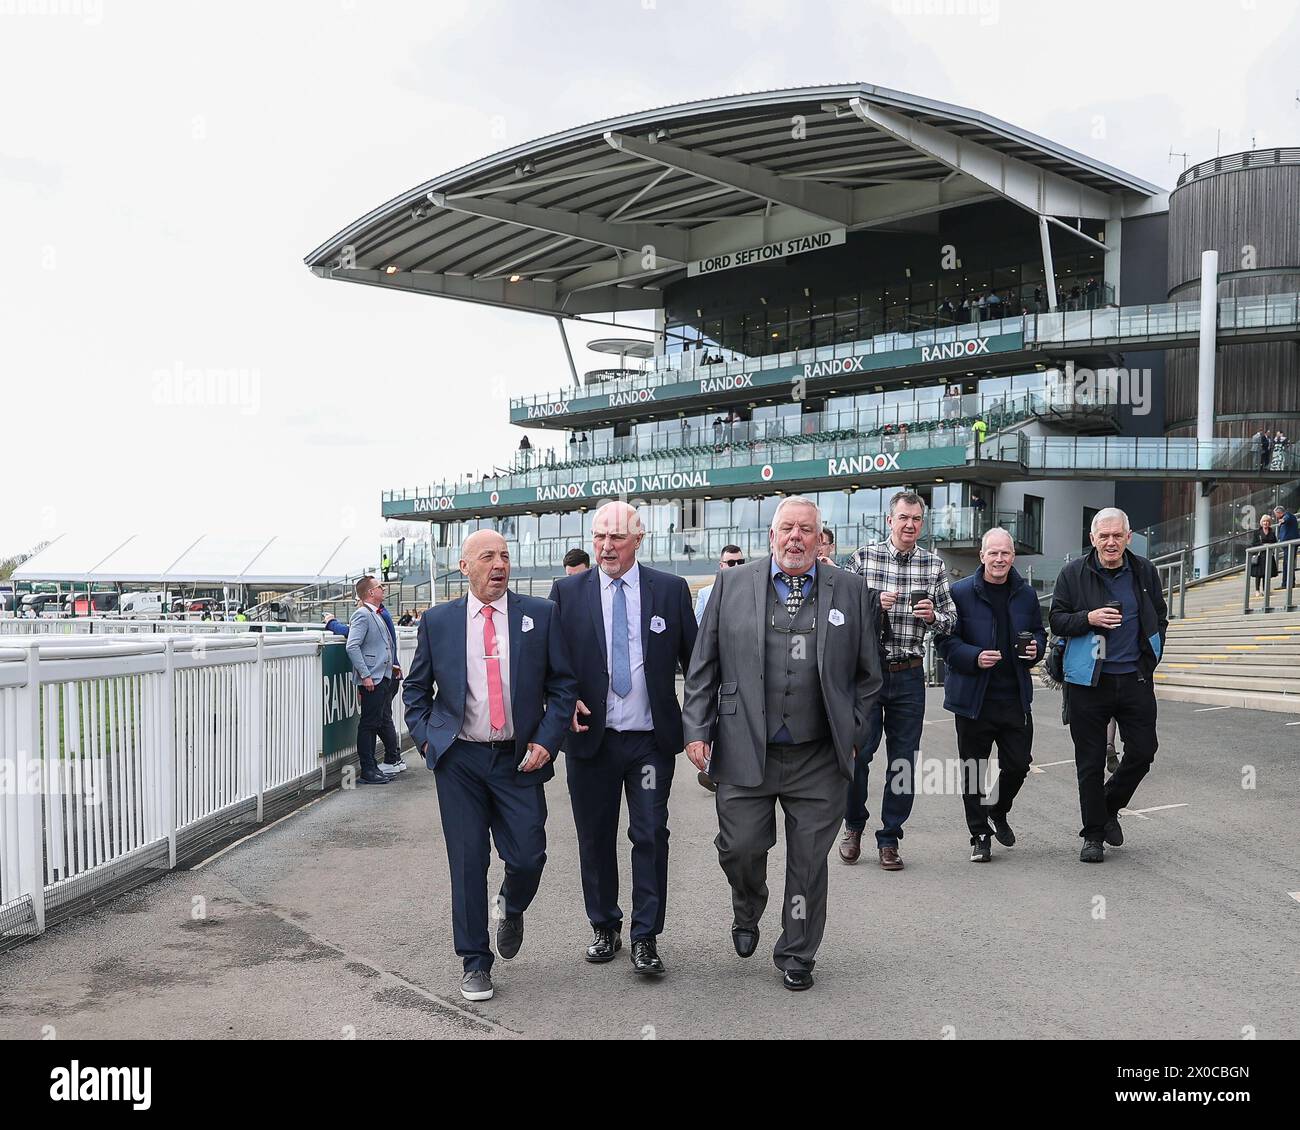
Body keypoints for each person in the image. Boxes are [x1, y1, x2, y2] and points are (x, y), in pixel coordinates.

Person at [682, 495, 882, 992]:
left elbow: (869, 677)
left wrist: (854, 733)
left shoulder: (852, 590)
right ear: (771, 536)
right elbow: (703, 665)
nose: (796, 537)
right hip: (745, 746)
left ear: (820, 538)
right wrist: (696, 729)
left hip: (819, 755)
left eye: (806, 530)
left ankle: (797, 953)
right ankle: (748, 903)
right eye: (786, 529)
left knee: (810, 862)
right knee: (741, 846)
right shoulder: (730, 584)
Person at [402, 530, 577, 1002]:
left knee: (527, 856)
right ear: (465, 567)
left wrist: (546, 740)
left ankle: (512, 904)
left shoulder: (539, 615)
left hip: (519, 759)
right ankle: (475, 961)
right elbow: (416, 691)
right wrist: (426, 741)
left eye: (504, 555)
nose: (499, 564)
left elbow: (563, 687)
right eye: (487, 557)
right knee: (468, 860)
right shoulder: (438, 621)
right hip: (459, 758)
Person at [547, 502, 697, 976]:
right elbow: (551, 665)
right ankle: (604, 926)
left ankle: (645, 937)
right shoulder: (567, 592)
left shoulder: (670, 591)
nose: (606, 546)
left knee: (650, 833)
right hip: (591, 739)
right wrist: (563, 701)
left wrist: (704, 728)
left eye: (616, 537)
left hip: (650, 742)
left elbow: (697, 664)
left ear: (639, 539)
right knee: (594, 837)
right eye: (599, 537)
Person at [842, 491, 956, 869]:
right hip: (868, 675)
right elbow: (839, 614)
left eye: (917, 519)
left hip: (909, 673)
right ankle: (854, 825)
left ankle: (890, 838)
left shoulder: (934, 565)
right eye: (904, 517)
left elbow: (951, 617)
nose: (910, 525)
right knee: (858, 755)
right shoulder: (862, 558)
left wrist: (932, 617)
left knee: (903, 762)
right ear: (889, 520)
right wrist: (873, 602)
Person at [1049, 507, 1169, 863]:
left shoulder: (1145, 571)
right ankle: (1093, 836)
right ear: (1092, 539)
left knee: (1143, 752)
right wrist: (1089, 618)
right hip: (1088, 681)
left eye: (1118, 535)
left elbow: (1159, 617)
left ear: (1129, 537)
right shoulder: (1073, 573)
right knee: (1088, 762)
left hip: (1134, 678)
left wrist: (1151, 657)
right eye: (1104, 536)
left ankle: (1108, 804)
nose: (1111, 542)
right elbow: (1056, 619)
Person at [936, 528, 1045, 862]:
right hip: (973, 698)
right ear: (982, 556)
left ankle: (997, 810)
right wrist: (974, 656)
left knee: (1019, 764)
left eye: (1005, 554)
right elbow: (944, 641)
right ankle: (979, 835)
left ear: (1013, 557)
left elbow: (1039, 633)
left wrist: (1035, 650)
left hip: (1013, 696)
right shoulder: (959, 592)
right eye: (993, 553)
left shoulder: (1025, 594)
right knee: (973, 769)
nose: (999, 560)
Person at [344, 577, 402, 785]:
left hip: (382, 676)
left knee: (375, 722)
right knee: (369, 724)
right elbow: (352, 645)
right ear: (370, 593)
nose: (383, 589)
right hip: (373, 679)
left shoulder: (374, 614)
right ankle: (368, 769)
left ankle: (373, 767)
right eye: (380, 587)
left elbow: (381, 646)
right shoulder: (362, 614)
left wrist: (391, 666)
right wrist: (365, 674)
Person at [694, 545, 745, 624]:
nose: (736, 566)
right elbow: (699, 626)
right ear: (721, 565)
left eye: (740, 562)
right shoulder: (705, 594)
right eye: (731, 563)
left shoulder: (753, 591)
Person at [1249, 514, 1279, 593]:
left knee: (1267, 573)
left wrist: (1270, 545)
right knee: (1258, 574)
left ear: (1269, 523)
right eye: (1264, 521)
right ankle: (1257, 590)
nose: (1265, 523)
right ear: (1261, 522)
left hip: (1268, 555)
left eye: (1267, 521)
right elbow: (1253, 544)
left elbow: (1275, 542)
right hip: (1260, 555)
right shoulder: (1257, 532)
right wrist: (1262, 545)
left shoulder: (1272, 532)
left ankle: (1265, 590)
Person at [1272, 504, 1298, 587]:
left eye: (1276, 514)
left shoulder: (1288, 515)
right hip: (1286, 545)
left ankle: (1287, 583)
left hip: (1290, 544)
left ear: (1279, 512)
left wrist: (1282, 520)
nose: (1276, 517)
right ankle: (1287, 583)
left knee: (1288, 564)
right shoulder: (1285, 517)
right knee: (1286, 564)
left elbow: (1287, 518)